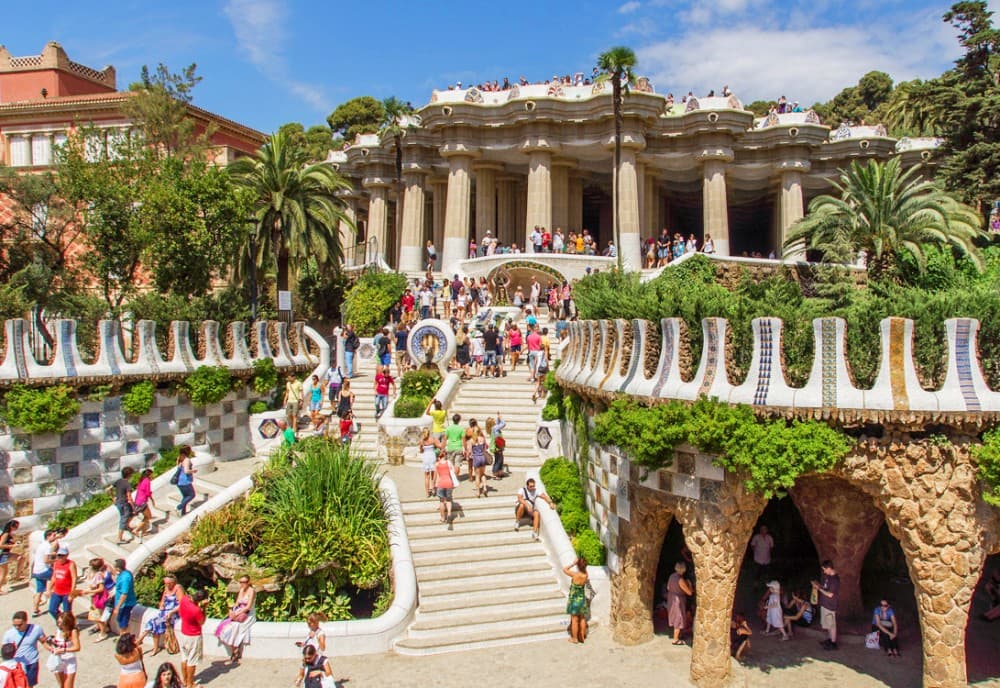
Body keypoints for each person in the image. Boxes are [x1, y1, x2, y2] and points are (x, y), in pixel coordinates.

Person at [139, 574, 184, 657]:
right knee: (154, 623)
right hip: (164, 613)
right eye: (165, 583)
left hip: (173, 614)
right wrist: (161, 605)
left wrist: (171, 612)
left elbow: (181, 604)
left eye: (168, 583)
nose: (166, 585)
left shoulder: (178, 588)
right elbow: (162, 600)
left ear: (173, 582)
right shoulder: (166, 589)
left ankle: (141, 641)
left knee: (154, 623)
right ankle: (149, 644)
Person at [215, 575, 255, 664]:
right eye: (240, 582)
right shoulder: (241, 590)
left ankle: (235, 652)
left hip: (247, 614)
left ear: (248, 582)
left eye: (244, 582)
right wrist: (232, 611)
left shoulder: (251, 591)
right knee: (227, 626)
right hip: (239, 611)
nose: (242, 584)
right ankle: (234, 650)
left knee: (236, 627)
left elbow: (248, 607)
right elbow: (237, 603)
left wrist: (237, 613)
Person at [4, 612, 45, 687]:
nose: (17, 627)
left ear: (26, 621)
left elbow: (43, 641)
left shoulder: (36, 629)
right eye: (14, 625)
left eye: (19, 625)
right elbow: (4, 649)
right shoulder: (9, 634)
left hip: (31, 663)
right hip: (16, 665)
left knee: (29, 685)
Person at [78, 558, 115, 641]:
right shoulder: (99, 572)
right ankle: (102, 628)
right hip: (97, 597)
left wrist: (89, 591)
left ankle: (103, 633)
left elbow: (101, 588)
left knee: (97, 617)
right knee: (97, 615)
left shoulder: (98, 575)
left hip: (98, 598)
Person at [177, 589, 206, 688]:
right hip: (193, 636)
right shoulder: (196, 610)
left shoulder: (184, 599)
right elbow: (202, 622)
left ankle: (184, 680)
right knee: (192, 661)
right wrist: (204, 608)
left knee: (184, 658)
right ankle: (190, 683)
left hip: (183, 633)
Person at [45, 612, 79, 688]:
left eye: (61, 622)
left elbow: (77, 647)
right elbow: (56, 641)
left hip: (69, 660)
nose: (59, 624)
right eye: (58, 622)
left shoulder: (73, 631)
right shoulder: (58, 630)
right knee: (62, 685)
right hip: (58, 660)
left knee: (68, 686)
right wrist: (52, 642)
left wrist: (63, 650)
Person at [812, 559, 840, 650]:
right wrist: (818, 585)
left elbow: (830, 594)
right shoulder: (828, 577)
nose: (823, 571)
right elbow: (825, 588)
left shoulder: (835, 580)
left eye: (824, 569)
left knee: (832, 625)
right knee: (828, 624)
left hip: (830, 605)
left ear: (829, 568)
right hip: (825, 604)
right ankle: (830, 639)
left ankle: (833, 643)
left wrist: (819, 589)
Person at [666, 561, 694, 645]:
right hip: (678, 600)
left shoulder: (671, 576)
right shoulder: (680, 579)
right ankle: (675, 639)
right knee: (679, 617)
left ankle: (679, 634)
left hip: (671, 597)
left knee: (674, 615)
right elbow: (689, 593)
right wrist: (689, 585)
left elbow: (668, 587)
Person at [29, 531, 57, 617]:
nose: (55, 537)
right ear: (48, 536)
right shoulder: (48, 546)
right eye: (54, 535)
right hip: (44, 570)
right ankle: (51, 598)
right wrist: (56, 560)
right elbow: (46, 560)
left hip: (37, 571)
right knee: (56, 580)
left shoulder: (42, 545)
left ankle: (35, 610)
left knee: (39, 591)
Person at [563, 557, 590, 644]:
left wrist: (573, 563)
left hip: (574, 600)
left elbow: (564, 569)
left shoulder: (575, 575)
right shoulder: (586, 575)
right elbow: (584, 570)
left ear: (578, 566)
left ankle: (574, 638)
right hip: (582, 599)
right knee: (582, 617)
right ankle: (582, 634)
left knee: (574, 619)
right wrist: (582, 566)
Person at [48, 548, 76, 623]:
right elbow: (54, 576)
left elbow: (74, 578)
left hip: (67, 592)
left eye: (62, 556)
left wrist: (72, 593)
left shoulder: (71, 564)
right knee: (52, 609)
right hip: (57, 591)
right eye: (59, 555)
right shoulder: (56, 563)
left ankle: (70, 625)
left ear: (66, 556)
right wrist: (49, 588)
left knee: (67, 611)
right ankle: (61, 621)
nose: (60, 557)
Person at [112, 559, 136, 635]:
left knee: (123, 622)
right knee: (121, 620)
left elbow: (124, 594)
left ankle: (124, 637)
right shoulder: (123, 574)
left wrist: (117, 607)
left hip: (125, 604)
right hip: (121, 603)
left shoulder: (125, 578)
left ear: (118, 568)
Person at [113, 469, 136, 545]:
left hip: (118, 503)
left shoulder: (118, 481)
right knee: (123, 519)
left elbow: (108, 489)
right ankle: (119, 538)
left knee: (130, 515)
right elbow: (129, 496)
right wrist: (133, 507)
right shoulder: (127, 484)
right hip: (124, 503)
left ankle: (127, 526)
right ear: (129, 475)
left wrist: (113, 497)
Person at [132, 469, 155, 542]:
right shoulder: (147, 481)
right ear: (149, 475)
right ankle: (136, 530)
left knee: (146, 517)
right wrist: (152, 499)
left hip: (137, 501)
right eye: (152, 474)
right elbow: (148, 493)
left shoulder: (141, 480)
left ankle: (144, 532)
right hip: (142, 502)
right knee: (148, 516)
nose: (152, 476)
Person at [434, 449, 456, 527]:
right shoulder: (448, 462)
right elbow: (454, 471)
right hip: (449, 482)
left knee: (442, 501)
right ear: (445, 455)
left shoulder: (437, 464)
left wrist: (434, 485)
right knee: (449, 500)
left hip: (441, 483)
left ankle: (443, 518)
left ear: (438, 457)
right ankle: (449, 513)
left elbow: (435, 477)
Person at [0, 521, 22, 594]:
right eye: (15, 527)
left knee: (21, 558)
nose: (16, 528)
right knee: (3, 573)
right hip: (3, 555)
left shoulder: (9, 534)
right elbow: (1, 545)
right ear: (11, 526)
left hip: (6, 554)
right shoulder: (6, 534)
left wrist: (15, 543)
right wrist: (12, 546)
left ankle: (18, 576)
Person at [174, 446, 196, 516]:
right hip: (185, 481)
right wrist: (193, 471)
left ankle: (183, 513)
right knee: (192, 495)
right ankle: (179, 507)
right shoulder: (186, 460)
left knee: (185, 496)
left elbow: (179, 467)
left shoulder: (179, 458)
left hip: (179, 481)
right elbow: (186, 471)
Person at [418, 428, 441, 498]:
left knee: (426, 477)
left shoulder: (422, 441)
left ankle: (427, 493)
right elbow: (440, 446)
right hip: (432, 457)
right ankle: (433, 489)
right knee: (433, 475)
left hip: (425, 458)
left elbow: (421, 451)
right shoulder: (433, 439)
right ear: (429, 433)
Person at [469, 426, 490, 498]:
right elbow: (486, 447)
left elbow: (470, 452)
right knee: (483, 474)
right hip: (483, 457)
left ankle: (478, 492)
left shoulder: (472, 440)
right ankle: (484, 487)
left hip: (476, 458)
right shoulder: (483, 439)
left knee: (477, 476)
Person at [444, 414, 465, 479]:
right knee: (457, 464)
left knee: (451, 464)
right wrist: (464, 448)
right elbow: (463, 440)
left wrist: (443, 448)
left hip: (450, 447)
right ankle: (455, 478)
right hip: (458, 447)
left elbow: (445, 439)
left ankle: (451, 478)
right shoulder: (461, 429)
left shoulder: (448, 428)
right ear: (459, 420)